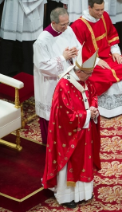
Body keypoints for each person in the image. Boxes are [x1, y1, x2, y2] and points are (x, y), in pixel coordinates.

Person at [42, 49, 101, 209]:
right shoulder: (64, 85)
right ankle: (65, 195)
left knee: (84, 159)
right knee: (70, 162)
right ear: (79, 71)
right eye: (88, 74)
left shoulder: (85, 80)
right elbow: (64, 115)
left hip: (84, 129)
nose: (90, 77)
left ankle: (84, 193)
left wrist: (94, 109)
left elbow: (92, 95)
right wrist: (87, 114)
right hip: (68, 135)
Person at [70, 0, 122, 118]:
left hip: (107, 55)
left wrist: (115, 52)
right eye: (97, 10)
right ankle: (108, 109)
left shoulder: (104, 16)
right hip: (89, 61)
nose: (101, 13)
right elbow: (77, 50)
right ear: (89, 8)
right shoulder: (78, 25)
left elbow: (111, 34)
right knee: (107, 75)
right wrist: (95, 61)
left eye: (102, 9)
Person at [33, 7, 81, 144]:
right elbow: (43, 67)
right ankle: (53, 145)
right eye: (63, 25)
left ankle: (69, 140)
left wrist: (74, 52)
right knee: (53, 112)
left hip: (69, 77)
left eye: (67, 23)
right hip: (50, 83)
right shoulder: (42, 41)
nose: (67, 27)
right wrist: (63, 57)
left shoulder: (68, 30)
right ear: (53, 23)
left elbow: (78, 46)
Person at [0, 0, 46, 76]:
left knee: (27, 52)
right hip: (11, 12)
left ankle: (27, 77)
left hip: (28, 17)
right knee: (8, 49)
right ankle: (7, 77)